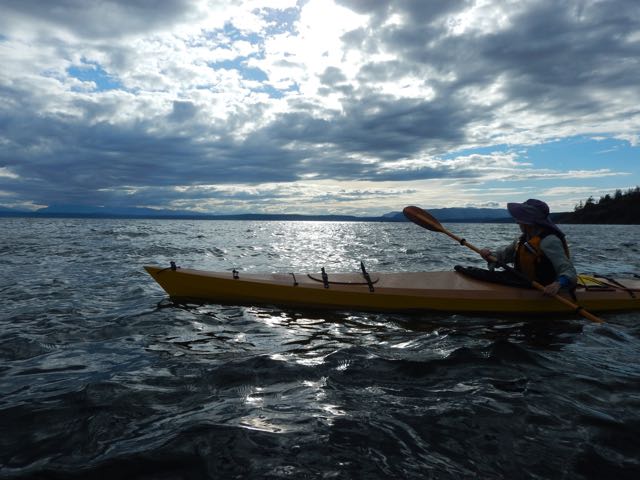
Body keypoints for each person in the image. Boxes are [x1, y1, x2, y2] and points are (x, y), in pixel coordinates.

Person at [480, 199, 577, 296]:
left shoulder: (549, 241)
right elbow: (503, 256)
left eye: (520, 219)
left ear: (529, 222)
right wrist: (489, 255)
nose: (517, 222)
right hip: (523, 282)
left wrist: (558, 284)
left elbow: (569, 270)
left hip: (544, 287)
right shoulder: (522, 239)